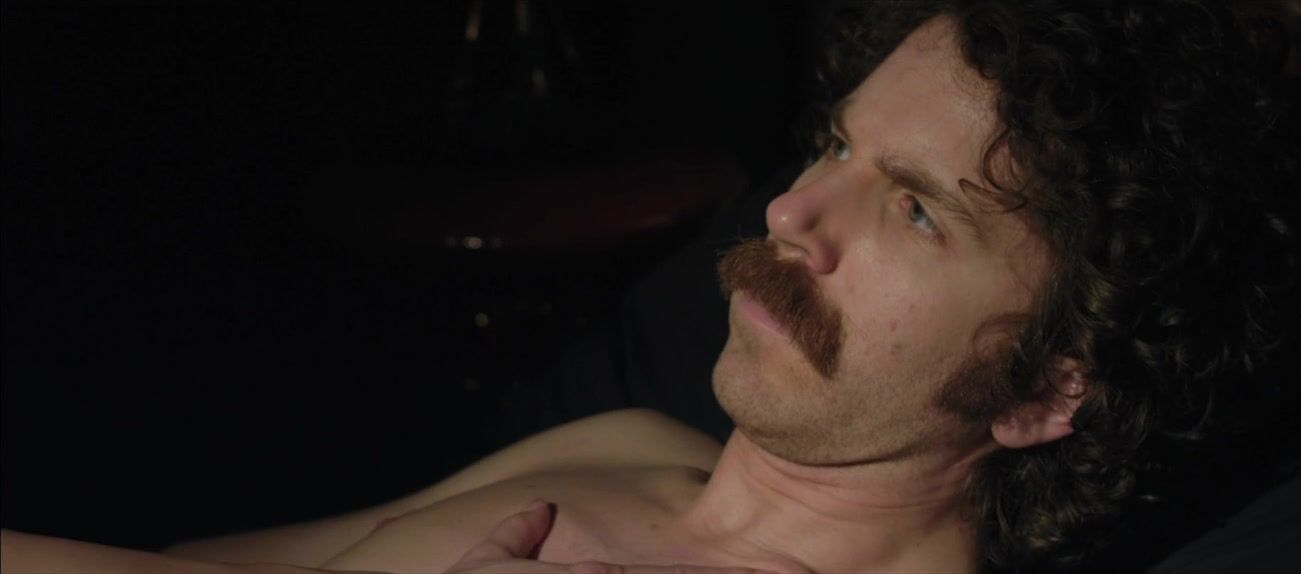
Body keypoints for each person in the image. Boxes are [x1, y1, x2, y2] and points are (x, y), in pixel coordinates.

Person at [3, 0, 1295, 572]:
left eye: (913, 207)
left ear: (1047, 390)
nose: (790, 214)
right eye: (834, 146)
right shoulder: (634, 448)